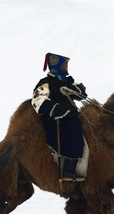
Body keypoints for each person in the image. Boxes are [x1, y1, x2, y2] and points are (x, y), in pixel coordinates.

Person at [31, 53, 88, 182]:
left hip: (71, 117)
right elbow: (38, 101)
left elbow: (82, 94)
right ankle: (67, 170)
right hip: (55, 121)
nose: (67, 67)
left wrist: (68, 88)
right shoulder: (45, 83)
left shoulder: (67, 81)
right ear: (58, 65)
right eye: (65, 64)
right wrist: (60, 111)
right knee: (72, 134)